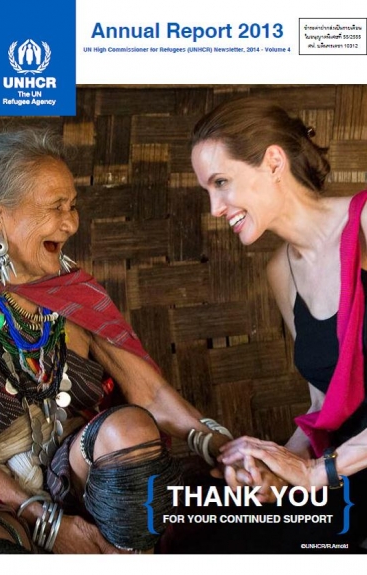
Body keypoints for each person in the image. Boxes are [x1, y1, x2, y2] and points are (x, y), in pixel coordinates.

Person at [0, 127, 234, 554]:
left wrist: (222, 445)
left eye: (72, 207)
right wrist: (43, 519)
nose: (71, 223)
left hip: (76, 476)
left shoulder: (76, 297)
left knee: (129, 427)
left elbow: (150, 393)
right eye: (56, 207)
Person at [190, 96, 367, 551]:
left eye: (222, 182)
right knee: (211, 528)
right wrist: (272, 466)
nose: (214, 207)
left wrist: (315, 473)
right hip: (344, 474)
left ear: (272, 162)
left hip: (341, 472)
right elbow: (325, 404)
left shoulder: (365, 223)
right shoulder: (280, 272)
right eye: (207, 190)